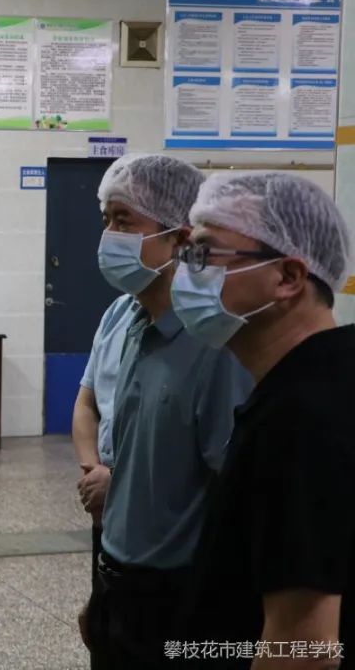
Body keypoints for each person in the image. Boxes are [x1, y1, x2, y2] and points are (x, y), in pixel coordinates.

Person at [175, 173, 354, 669]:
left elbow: (305, 648)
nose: (184, 273)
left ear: (288, 277)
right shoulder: (323, 379)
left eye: (205, 253)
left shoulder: (302, 417)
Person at [81, 154, 253, 669]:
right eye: (106, 220)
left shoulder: (213, 345)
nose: (109, 236)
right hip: (117, 578)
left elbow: (233, 494)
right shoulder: (133, 322)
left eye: (124, 221)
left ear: (180, 239)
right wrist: (103, 596)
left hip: (179, 598)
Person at [72, 291, 134, 668]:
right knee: (104, 631)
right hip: (105, 504)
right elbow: (86, 403)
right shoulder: (118, 312)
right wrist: (92, 472)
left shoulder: (194, 331)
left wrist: (118, 482)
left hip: (149, 511)